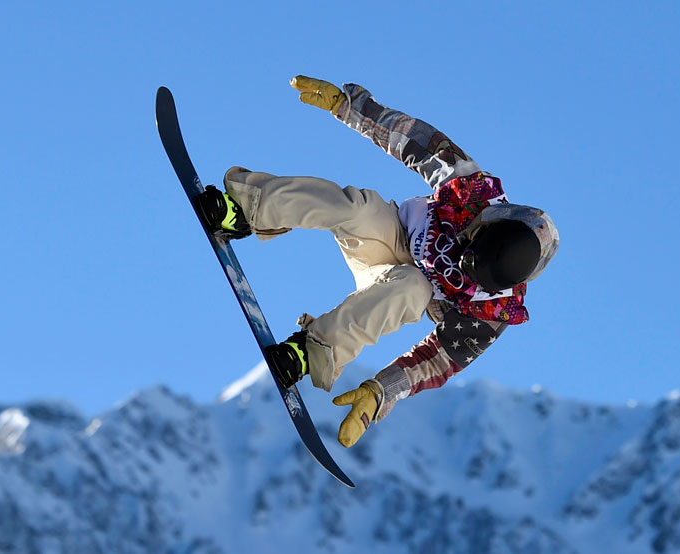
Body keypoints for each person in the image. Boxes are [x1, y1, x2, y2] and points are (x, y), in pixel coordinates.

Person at [196, 76, 559, 448]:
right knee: (359, 208)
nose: (457, 258)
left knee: (414, 286)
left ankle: (311, 352)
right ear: (486, 224)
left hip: (397, 289)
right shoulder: (471, 190)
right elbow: (412, 140)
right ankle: (246, 209)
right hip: (389, 235)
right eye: (467, 244)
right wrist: (349, 107)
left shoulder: (493, 312)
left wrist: (379, 393)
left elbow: (437, 362)